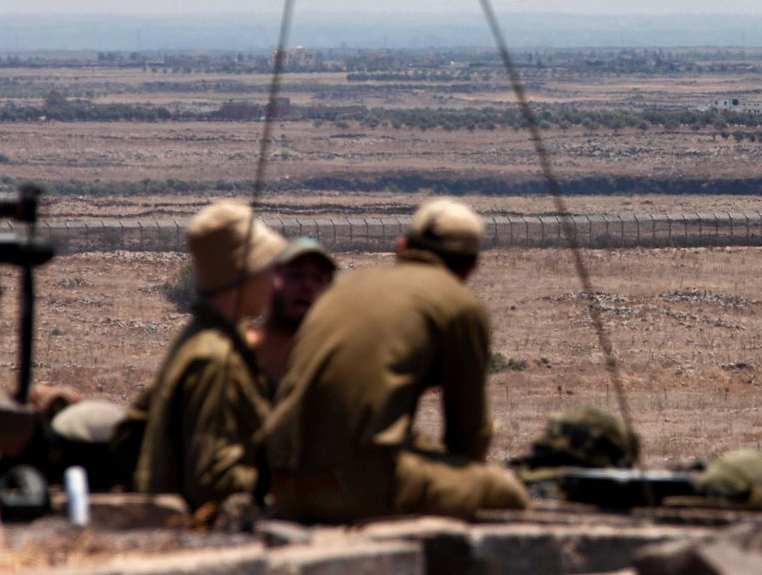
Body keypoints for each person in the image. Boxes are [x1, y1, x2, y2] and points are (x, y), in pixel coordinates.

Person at [263, 198, 529, 523]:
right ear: (471, 267)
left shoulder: (343, 287)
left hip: (284, 485)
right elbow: (467, 436)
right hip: (357, 492)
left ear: (401, 247)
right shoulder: (460, 306)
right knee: (505, 492)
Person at [128, 201, 284, 512]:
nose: (276, 280)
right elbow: (211, 479)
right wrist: (289, 485)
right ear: (243, 274)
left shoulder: (200, 339)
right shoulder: (216, 359)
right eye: (268, 268)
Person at [248, 236, 337, 385]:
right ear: (272, 280)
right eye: (296, 275)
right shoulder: (237, 359)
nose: (307, 286)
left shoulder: (328, 372)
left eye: (318, 279)